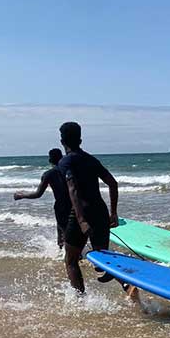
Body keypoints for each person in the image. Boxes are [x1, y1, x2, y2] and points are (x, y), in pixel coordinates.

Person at [57, 122, 120, 294]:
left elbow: (73, 190)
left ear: (62, 141)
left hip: (80, 214)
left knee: (70, 260)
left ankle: (80, 300)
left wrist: (82, 220)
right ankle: (128, 285)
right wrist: (113, 213)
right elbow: (113, 184)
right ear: (81, 139)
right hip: (100, 212)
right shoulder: (91, 160)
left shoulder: (66, 162)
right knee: (104, 259)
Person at [14, 148, 71, 249]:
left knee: (63, 231)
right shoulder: (69, 171)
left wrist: (21, 195)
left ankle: (66, 254)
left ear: (50, 160)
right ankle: (68, 253)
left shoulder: (48, 174)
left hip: (60, 206)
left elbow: (38, 194)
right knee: (69, 231)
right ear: (62, 158)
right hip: (74, 204)